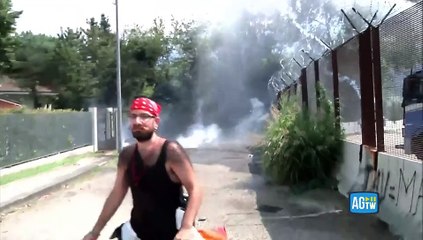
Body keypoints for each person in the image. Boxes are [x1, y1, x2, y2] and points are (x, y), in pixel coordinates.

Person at [82, 97, 203, 240]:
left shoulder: (171, 151)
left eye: (144, 116)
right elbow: (116, 194)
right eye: (133, 116)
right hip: (138, 231)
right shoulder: (127, 155)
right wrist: (95, 232)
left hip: (174, 233)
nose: (137, 121)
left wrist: (186, 227)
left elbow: (196, 188)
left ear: (156, 122)